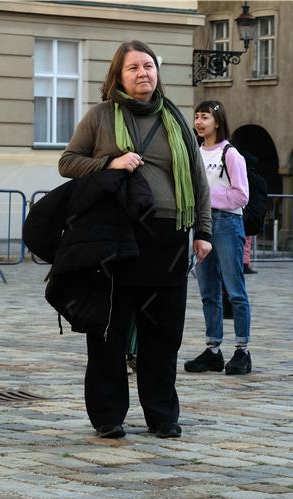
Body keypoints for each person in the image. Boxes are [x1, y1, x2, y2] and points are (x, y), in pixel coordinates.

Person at [58, 40, 212, 439]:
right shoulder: (101, 117)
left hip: (169, 237)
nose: (143, 73)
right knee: (110, 329)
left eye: (148, 66)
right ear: (118, 76)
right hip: (116, 237)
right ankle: (109, 416)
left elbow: (198, 177)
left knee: (163, 334)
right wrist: (110, 162)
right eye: (133, 68)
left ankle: (162, 415)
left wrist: (204, 230)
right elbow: (68, 162)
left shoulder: (175, 119)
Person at [184, 101, 252, 376]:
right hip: (202, 224)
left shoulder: (230, 154)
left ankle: (242, 350)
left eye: (205, 117)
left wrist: (205, 198)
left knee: (235, 290)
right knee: (207, 290)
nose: (199, 122)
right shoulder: (195, 153)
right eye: (197, 117)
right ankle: (213, 349)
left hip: (226, 223)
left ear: (217, 121)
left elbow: (241, 195)